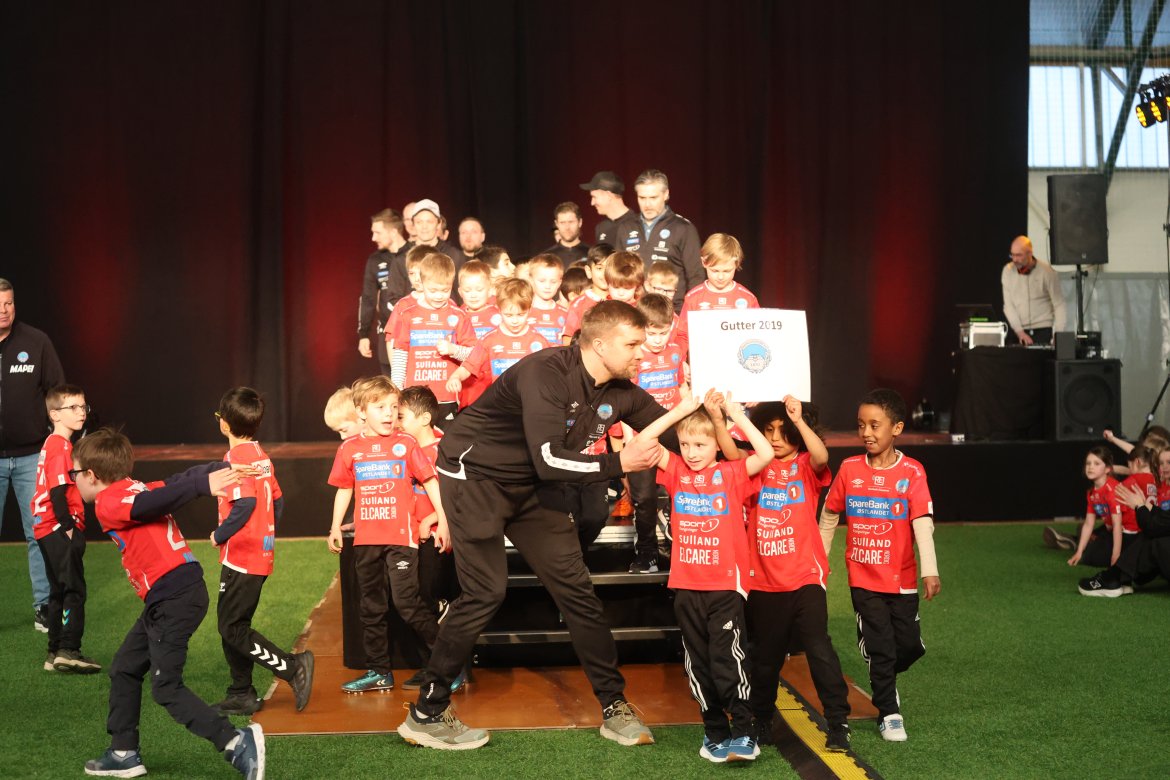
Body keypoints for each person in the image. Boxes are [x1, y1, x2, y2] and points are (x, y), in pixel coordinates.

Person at [396, 301, 671, 751]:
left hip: (530, 485)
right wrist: (621, 462)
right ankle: (427, 712)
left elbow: (676, 432)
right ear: (600, 344)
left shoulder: (620, 390)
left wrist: (722, 420)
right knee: (485, 591)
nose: (644, 352)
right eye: (633, 344)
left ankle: (614, 705)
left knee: (576, 589)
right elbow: (549, 460)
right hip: (474, 478)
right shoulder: (545, 372)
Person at [72, 429, 265, 780]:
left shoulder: (109, 502)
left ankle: (235, 742)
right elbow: (174, 483)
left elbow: (155, 501)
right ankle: (123, 752)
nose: (74, 482)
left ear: (91, 475)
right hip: (173, 594)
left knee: (166, 687)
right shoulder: (136, 487)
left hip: (173, 595)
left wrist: (202, 483)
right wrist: (216, 469)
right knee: (125, 667)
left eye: (76, 474)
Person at [629, 389, 774, 762]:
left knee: (728, 661)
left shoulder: (731, 474)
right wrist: (681, 409)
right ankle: (715, 733)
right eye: (685, 444)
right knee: (699, 664)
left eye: (700, 444)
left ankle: (745, 732)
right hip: (686, 586)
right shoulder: (677, 471)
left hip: (725, 587)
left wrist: (733, 414)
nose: (691, 452)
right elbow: (644, 441)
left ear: (716, 444)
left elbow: (766, 454)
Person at [718, 397, 852, 752]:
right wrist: (724, 417)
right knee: (766, 658)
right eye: (768, 430)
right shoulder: (756, 464)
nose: (775, 438)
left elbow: (822, 456)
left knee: (819, 648)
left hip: (806, 576)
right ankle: (761, 719)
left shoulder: (806, 464)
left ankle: (838, 722)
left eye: (783, 430)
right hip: (763, 581)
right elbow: (731, 452)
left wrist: (799, 419)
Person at [818, 389, 940, 743]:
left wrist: (929, 569)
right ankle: (889, 712)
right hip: (863, 578)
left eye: (875, 425)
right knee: (881, 647)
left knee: (909, 647)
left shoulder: (912, 472)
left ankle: (882, 668)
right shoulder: (850, 469)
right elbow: (830, 514)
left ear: (897, 428)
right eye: (861, 425)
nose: (866, 433)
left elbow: (922, 522)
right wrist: (818, 561)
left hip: (902, 580)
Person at [326, 376, 449, 694]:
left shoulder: (406, 444)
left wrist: (444, 520)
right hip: (366, 540)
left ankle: (449, 665)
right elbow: (344, 488)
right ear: (361, 412)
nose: (389, 413)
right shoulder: (349, 448)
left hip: (401, 540)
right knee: (371, 607)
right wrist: (335, 526)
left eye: (394, 407)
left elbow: (430, 481)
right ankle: (379, 671)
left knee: (407, 604)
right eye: (380, 407)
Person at [209, 388, 314, 716]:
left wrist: (219, 534)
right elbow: (277, 500)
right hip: (258, 550)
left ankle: (292, 667)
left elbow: (245, 504)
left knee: (231, 627)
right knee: (232, 623)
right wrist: (266, 531)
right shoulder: (260, 455)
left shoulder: (236, 459)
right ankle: (241, 692)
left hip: (242, 554)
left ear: (224, 425)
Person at [0, 278, 65, 632]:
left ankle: (44, 607)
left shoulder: (36, 342)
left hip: (31, 457)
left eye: (9, 303)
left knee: (38, 534)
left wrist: (58, 440)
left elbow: (58, 393)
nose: (4, 310)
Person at [30, 383, 99, 673]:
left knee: (58, 591)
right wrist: (68, 526)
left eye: (83, 406)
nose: (81, 412)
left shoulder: (52, 443)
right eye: (73, 407)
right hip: (57, 528)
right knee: (74, 591)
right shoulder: (60, 446)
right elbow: (58, 491)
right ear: (55, 414)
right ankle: (69, 649)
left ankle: (54, 652)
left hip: (46, 529)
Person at [396, 386, 462, 680]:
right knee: (418, 597)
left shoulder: (443, 449)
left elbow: (457, 493)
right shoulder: (406, 449)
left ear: (424, 419)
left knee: (427, 597)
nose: (397, 422)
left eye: (402, 416)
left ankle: (449, 667)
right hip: (415, 536)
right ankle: (436, 667)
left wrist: (433, 519)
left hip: (437, 536)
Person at [626, 294, 687, 574]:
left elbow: (681, 388)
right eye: (652, 334)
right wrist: (629, 439)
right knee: (644, 497)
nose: (658, 340)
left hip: (673, 432)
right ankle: (647, 552)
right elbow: (625, 401)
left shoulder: (675, 352)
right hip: (643, 434)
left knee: (682, 485)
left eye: (663, 332)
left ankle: (679, 533)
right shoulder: (634, 356)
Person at [390, 252, 476, 422]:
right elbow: (400, 354)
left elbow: (474, 355)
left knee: (445, 438)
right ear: (421, 283)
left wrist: (453, 350)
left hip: (447, 396)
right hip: (414, 398)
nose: (439, 296)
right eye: (433, 290)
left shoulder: (458, 315)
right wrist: (397, 389)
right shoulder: (408, 315)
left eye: (445, 290)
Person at [445, 278, 552, 408]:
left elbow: (549, 375)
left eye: (520, 314)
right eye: (509, 315)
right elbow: (468, 366)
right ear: (499, 310)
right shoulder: (489, 340)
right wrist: (456, 377)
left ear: (529, 309)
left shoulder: (539, 341)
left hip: (528, 406)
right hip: (499, 406)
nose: (515, 321)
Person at [613, 170, 704, 311]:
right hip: (634, 311)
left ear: (666, 194)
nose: (647, 204)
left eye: (653, 197)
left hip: (673, 311)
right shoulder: (626, 227)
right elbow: (617, 273)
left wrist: (689, 312)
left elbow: (696, 276)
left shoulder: (683, 228)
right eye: (642, 198)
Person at [675, 233, 760, 357]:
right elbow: (683, 335)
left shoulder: (748, 298)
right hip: (703, 361)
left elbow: (758, 335)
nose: (720, 277)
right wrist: (681, 361)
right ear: (704, 262)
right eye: (714, 270)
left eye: (727, 271)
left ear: (737, 264)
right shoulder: (693, 298)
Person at [358, 208, 410, 373]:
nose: (373, 238)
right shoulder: (375, 260)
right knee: (390, 383)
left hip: (414, 332)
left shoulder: (414, 254)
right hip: (387, 333)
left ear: (393, 232)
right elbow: (368, 298)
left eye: (378, 233)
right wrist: (364, 335)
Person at [1001, 235, 1067, 346]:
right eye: (1012, 255)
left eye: (1019, 255)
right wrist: (1020, 332)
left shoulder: (1047, 272)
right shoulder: (1008, 271)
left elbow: (1059, 304)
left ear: (1030, 253)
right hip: (1018, 331)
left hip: (1043, 330)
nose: (1014, 259)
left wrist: (1058, 334)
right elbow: (1009, 305)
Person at [1067, 446, 1125, 569]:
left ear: (1107, 469)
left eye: (1096, 463)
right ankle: (1084, 542)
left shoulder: (1112, 490)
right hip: (1111, 530)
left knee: (1095, 558)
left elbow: (1117, 525)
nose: (1090, 467)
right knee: (1086, 557)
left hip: (1126, 533)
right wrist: (1079, 552)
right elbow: (1089, 523)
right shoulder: (1091, 493)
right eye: (1088, 463)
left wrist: (1116, 556)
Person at [560, 244, 612, 344]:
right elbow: (568, 339)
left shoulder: (622, 300)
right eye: (599, 268)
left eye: (609, 268)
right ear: (589, 271)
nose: (604, 274)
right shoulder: (579, 304)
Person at [525, 254, 568, 343]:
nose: (547, 286)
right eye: (542, 281)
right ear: (531, 280)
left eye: (553, 282)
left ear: (560, 282)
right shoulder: (521, 312)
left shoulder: (566, 315)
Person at [580, 171, 630, 245]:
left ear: (608, 195)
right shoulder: (601, 228)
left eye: (594, 197)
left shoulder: (638, 224)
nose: (592, 203)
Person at [457, 260, 499, 340]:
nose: (473, 295)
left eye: (479, 290)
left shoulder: (498, 315)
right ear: (460, 292)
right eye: (467, 291)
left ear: (490, 291)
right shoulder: (458, 316)